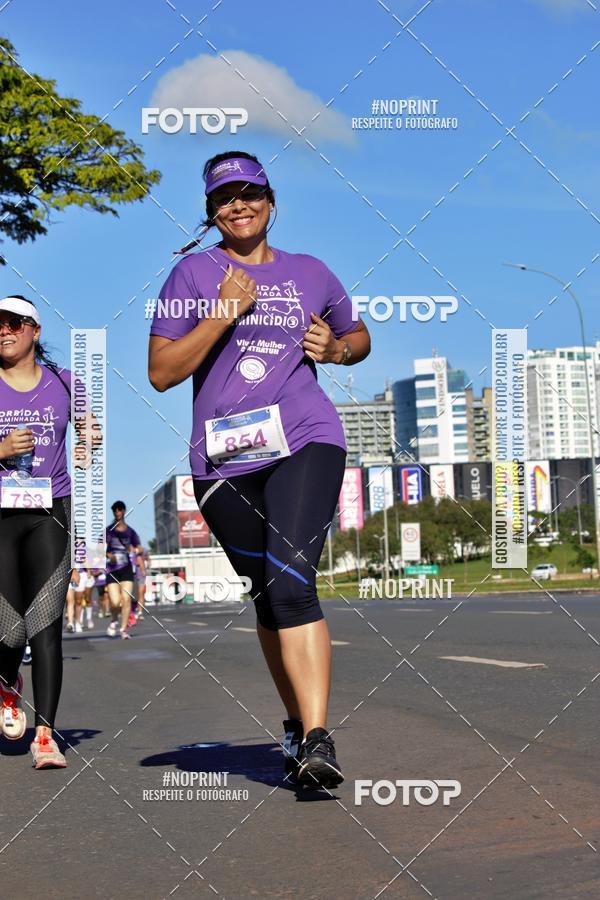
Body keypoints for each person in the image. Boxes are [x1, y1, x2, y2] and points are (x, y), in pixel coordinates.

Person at [148, 151, 371, 788]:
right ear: (211, 211)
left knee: (293, 580)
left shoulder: (311, 272)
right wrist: (222, 312)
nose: (238, 205)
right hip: (224, 461)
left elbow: (357, 338)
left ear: (271, 202)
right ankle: (298, 726)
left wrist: (338, 348)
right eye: (224, 198)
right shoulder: (192, 276)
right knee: (269, 595)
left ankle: (320, 736)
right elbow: (162, 373)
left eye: (250, 193)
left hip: (306, 438)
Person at [0, 295, 94, 769]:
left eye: (14, 323)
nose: (4, 331)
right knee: (8, 630)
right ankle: (6, 683)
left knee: (45, 626)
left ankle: (46, 736)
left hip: (50, 511)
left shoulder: (64, 383)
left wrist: (89, 440)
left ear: (35, 330)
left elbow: (89, 435)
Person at [105, 501, 143, 639]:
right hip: (112, 570)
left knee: (126, 599)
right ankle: (114, 620)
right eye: (114, 510)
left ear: (124, 511)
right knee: (115, 602)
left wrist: (135, 549)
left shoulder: (130, 531)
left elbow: (140, 548)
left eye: (119, 509)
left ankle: (123, 629)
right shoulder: (108, 531)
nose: (117, 512)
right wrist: (108, 555)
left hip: (126, 569)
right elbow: (98, 548)